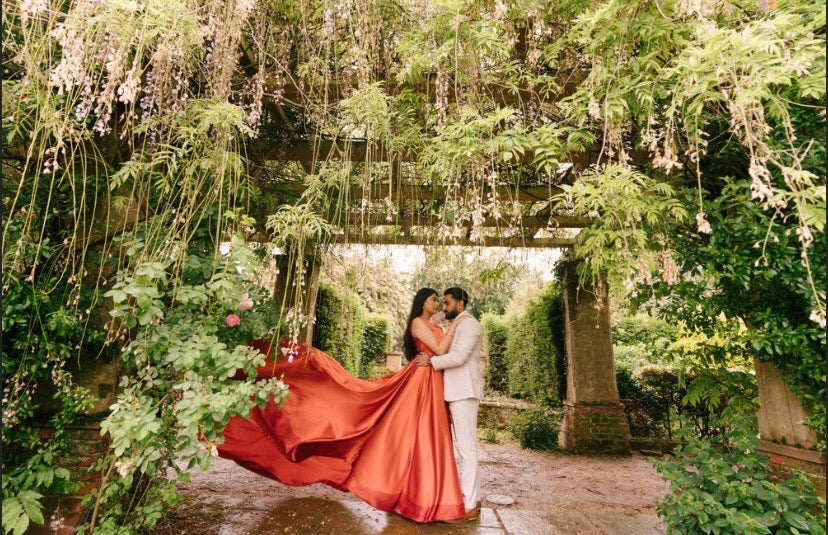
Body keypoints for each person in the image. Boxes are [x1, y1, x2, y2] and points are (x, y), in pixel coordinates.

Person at [216, 287, 472, 523]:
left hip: (431, 378)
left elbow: (443, 351)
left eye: (440, 300)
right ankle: (420, 499)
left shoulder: (431, 323)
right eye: (434, 299)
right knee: (419, 435)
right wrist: (455, 326)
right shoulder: (417, 322)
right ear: (422, 303)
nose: (438, 304)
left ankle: (419, 496)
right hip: (422, 379)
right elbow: (440, 349)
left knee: (424, 438)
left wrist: (448, 328)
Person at [414, 287, 483, 523]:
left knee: (467, 448)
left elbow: (459, 357)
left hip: (464, 393)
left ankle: (469, 504)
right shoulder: (458, 325)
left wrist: (431, 361)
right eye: (442, 303)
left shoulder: (470, 325)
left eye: (447, 303)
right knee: (464, 448)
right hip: (455, 392)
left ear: (460, 304)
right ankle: (473, 499)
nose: (443, 308)